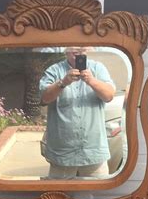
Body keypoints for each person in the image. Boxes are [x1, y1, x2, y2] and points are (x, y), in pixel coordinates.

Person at [39, 47, 116, 179]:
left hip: (94, 151)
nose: (78, 51)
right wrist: (63, 82)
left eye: (82, 49)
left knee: (96, 197)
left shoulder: (98, 68)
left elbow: (109, 95)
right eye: (74, 49)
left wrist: (92, 81)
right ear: (65, 51)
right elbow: (44, 98)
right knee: (58, 196)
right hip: (62, 153)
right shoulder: (54, 70)